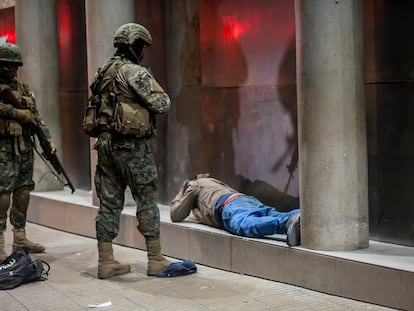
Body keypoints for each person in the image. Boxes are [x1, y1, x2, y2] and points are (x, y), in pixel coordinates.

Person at [88, 23, 174, 279]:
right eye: (142, 47)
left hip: (105, 146)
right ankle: (156, 259)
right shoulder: (135, 72)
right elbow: (162, 104)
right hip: (133, 147)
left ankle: (106, 261)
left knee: (108, 203)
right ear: (136, 46)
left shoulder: (102, 72)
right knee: (146, 198)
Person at [0, 43, 56, 261]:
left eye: (14, 66)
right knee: (3, 195)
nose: (11, 70)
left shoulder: (22, 89)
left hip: (24, 147)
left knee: (23, 191)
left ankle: (20, 236)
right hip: (3, 148)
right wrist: (16, 113)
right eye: (7, 66)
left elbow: (36, 116)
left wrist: (47, 138)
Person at [170, 173, 301, 246]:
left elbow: (175, 214)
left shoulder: (195, 184)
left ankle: (285, 223)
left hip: (229, 206)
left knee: (245, 225)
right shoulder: (214, 184)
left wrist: (181, 192)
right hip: (245, 200)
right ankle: (303, 216)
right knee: (274, 214)